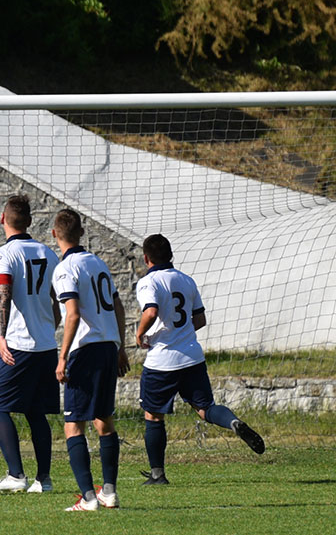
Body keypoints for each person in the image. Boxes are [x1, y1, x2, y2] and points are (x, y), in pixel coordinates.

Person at [136, 234, 265, 485]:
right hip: (192, 357)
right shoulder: (187, 280)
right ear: (171, 255)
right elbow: (200, 319)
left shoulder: (148, 282)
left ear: (146, 258)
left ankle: (157, 475)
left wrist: (140, 334)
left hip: (162, 361)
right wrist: (181, 334)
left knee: (153, 416)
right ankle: (234, 422)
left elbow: (151, 311)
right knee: (206, 408)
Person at [50, 209, 129, 511]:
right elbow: (118, 307)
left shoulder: (64, 269)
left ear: (54, 234)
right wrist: (120, 347)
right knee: (104, 421)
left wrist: (62, 357)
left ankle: (87, 498)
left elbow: (72, 314)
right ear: (82, 233)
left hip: (85, 350)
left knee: (74, 425)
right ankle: (109, 492)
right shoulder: (98, 264)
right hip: (109, 347)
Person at [0, 195, 60, 494]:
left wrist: (1, 336)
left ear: (2, 219)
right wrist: (50, 328)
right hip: (46, 345)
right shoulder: (48, 253)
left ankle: (16, 475)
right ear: (29, 221)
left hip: (17, 344)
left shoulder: (4, 254)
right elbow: (57, 299)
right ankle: (44, 479)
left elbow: (3, 293)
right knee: (35, 411)